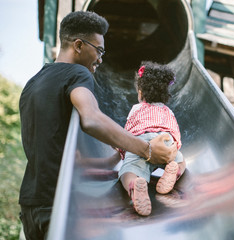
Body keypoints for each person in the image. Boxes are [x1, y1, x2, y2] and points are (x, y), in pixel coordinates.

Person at [18, 11, 177, 240]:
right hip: (60, 206)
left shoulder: (33, 83)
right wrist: (147, 150)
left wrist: (112, 161)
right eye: (99, 50)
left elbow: (60, 157)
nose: (101, 59)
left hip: (31, 206)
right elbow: (91, 118)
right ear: (79, 45)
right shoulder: (77, 73)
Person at [117, 61, 186, 216]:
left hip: (142, 143)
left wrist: (122, 150)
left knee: (127, 170)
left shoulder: (136, 109)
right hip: (165, 142)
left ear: (141, 93)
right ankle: (173, 171)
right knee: (181, 161)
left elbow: (128, 131)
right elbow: (174, 130)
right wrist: (176, 147)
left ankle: (134, 184)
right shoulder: (168, 111)